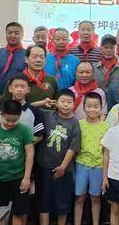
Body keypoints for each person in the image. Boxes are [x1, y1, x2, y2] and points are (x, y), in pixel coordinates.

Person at [0, 100, 35, 225]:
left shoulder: (24, 130)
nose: (11, 123)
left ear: (20, 116)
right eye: (7, 120)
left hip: (18, 179)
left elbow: (30, 154)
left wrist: (27, 178)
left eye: (14, 120)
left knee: (18, 213)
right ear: (1, 115)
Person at [36, 90, 81, 225]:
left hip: (64, 170)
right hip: (44, 166)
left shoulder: (75, 123)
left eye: (69, 102)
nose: (66, 105)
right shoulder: (47, 115)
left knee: (63, 202)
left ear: (74, 104)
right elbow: (27, 107)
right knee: (44, 200)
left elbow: (73, 147)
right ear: (56, 103)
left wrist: (63, 166)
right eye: (62, 101)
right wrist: (43, 102)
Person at [74, 93, 108, 225]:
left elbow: (107, 152)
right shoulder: (79, 124)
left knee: (95, 198)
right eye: (89, 106)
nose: (92, 109)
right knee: (79, 198)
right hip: (81, 165)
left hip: (99, 167)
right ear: (83, 107)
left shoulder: (106, 127)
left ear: (101, 108)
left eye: (95, 106)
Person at [0, 74, 44, 140]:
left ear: (28, 89)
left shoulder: (35, 111)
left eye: (23, 86)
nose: (19, 89)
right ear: (10, 88)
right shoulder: (1, 109)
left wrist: (20, 144)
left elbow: (39, 136)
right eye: (16, 86)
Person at [0, 22, 27, 95]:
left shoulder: (28, 55)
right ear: (6, 34)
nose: (13, 35)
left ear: (22, 35)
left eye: (16, 33)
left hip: (19, 96)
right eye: (10, 32)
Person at [23, 44, 58, 108]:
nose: (38, 60)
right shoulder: (17, 80)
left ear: (45, 60)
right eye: (34, 57)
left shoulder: (51, 80)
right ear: (26, 59)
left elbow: (56, 103)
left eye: (41, 57)